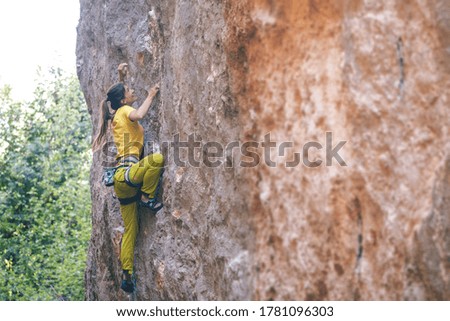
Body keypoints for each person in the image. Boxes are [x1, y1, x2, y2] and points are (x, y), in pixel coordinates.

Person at [92, 63, 164, 293]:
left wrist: (120, 74)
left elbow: (116, 97)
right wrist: (152, 94)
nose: (134, 91)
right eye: (129, 90)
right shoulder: (124, 112)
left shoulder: (116, 113)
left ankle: (127, 275)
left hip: (122, 183)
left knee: (130, 228)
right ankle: (148, 197)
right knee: (157, 160)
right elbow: (139, 113)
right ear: (124, 100)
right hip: (128, 174)